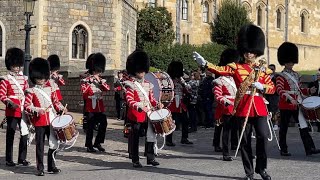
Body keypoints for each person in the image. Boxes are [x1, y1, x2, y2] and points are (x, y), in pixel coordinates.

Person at [193, 24, 274, 180]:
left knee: (263, 138)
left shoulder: (262, 70)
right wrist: (204, 64)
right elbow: (219, 69)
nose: (248, 54)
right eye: (246, 51)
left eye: (251, 51)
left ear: (256, 52)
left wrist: (262, 86)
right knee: (244, 141)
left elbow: (272, 88)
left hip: (258, 106)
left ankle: (261, 168)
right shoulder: (235, 67)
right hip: (243, 107)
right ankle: (249, 173)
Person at [276, 42, 320, 156]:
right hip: (286, 105)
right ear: (284, 62)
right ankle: (283, 149)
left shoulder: (296, 75)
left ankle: (310, 148)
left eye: (292, 61)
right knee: (284, 128)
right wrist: (290, 99)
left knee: (303, 126)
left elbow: (300, 89)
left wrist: (310, 91)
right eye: (289, 61)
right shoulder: (281, 76)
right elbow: (280, 90)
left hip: (297, 103)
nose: (291, 63)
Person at [24, 58, 66, 176]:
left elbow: (56, 102)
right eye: (39, 78)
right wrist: (37, 110)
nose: (42, 80)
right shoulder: (31, 91)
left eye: (43, 77)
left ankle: (51, 166)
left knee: (54, 143)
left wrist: (62, 108)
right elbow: (27, 106)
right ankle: (40, 168)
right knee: (40, 146)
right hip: (39, 121)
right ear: (34, 77)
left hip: (51, 120)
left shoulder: (51, 89)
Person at [124, 49, 162, 167]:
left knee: (151, 135)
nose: (142, 73)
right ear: (135, 71)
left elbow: (151, 99)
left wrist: (157, 104)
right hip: (136, 115)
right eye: (140, 71)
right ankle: (135, 159)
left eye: (143, 71)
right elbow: (130, 101)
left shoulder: (148, 84)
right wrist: (141, 107)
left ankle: (150, 157)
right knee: (135, 138)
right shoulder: (130, 84)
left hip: (148, 114)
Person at [0, 48, 30, 166]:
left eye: (18, 65)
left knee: (24, 134)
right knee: (10, 135)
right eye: (14, 65)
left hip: (22, 109)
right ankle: (9, 159)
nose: (17, 68)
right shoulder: (5, 79)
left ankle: (22, 158)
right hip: (12, 110)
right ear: (10, 66)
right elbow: (2, 95)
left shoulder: (24, 79)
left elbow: (27, 92)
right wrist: (9, 103)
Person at [212, 48, 240, 161]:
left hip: (237, 106)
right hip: (226, 107)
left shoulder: (237, 80)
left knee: (236, 128)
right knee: (224, 129)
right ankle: (225, 152)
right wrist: (226, 101)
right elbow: (218, 95)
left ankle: (235, 145)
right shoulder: (220, 79)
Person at [81, 53, 110, 152]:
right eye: (98, 71)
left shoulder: (101, 80)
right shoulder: (85, 80)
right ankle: (89, 145)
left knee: (104, 123)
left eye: (100, 71)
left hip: (99, 106)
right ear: (93, 70)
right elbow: (84, 93)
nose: (99, 73)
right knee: (90, 127)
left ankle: (98, 142)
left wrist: (100, 82)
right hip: (90, 106)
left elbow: (107, 88)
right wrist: (89, 82)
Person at [166, 61, 193, 146]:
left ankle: (184, 138)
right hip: (172, 102)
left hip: (181, 103)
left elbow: (189, 89)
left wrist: (183, 83)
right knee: (171, 122)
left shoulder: (181, 79)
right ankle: (168, 140)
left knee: (185, 121)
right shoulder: (168, 79)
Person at [80, 53, 96, 132]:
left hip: (96, 97)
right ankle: (86, 125)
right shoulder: (85, 75)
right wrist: (89, 79)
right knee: (87, 112)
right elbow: (83, 85)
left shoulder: (97, 75)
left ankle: (95, 124)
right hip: (87, 97)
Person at [265, 64, 280, 130]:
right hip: (266, 95)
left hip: (275, 95)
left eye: (272, 69)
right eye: (269, 69)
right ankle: (268, 124)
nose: (270, 70)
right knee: (267, 110)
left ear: (274, 69)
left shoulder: (277, 76)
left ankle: (276, 124)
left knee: (275, 110)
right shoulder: (265, 76)